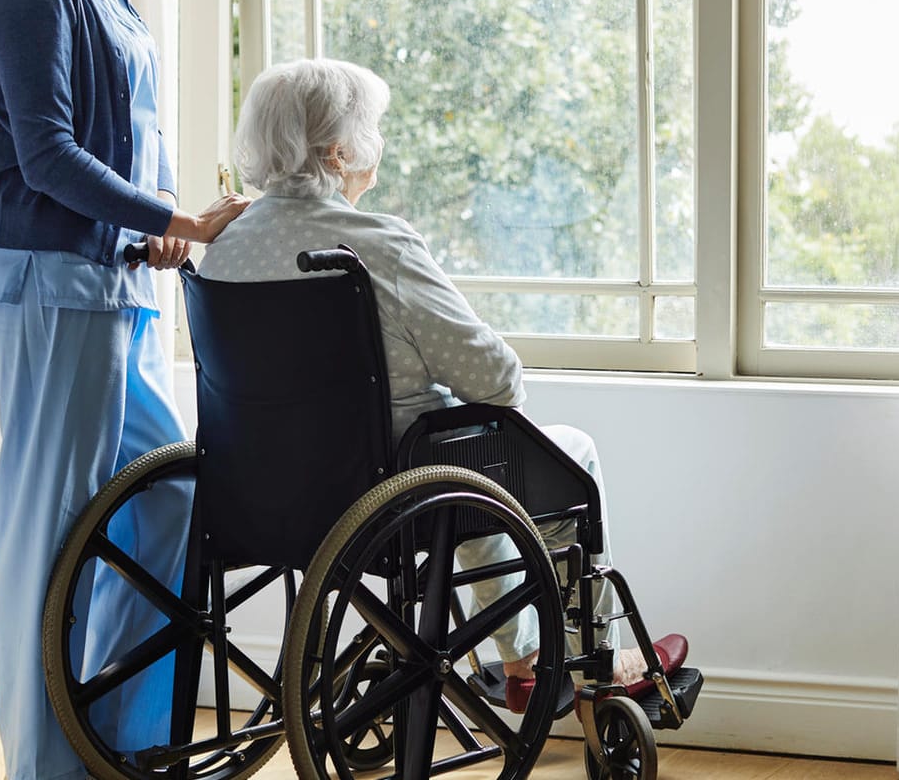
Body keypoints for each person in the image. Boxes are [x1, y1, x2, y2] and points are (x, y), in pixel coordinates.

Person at [198, 58, 685, 716]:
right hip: (389, 493)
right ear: (340, 150)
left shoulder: (225, 247)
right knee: (552, 455)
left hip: (260, 491)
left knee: (464, 448)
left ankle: (521, 658)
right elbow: (497, 381)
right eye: (372, 129)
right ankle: (569, 660)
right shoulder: (379, 246)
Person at [0, 0, 249, 779]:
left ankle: (111, 734)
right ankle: (44, 763)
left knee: (169, 498)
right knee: (51, 530)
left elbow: (119, 141)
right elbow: (50, 157)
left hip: (105, 284)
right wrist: (178, 218)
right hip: (50, 290)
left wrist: (155, 228)